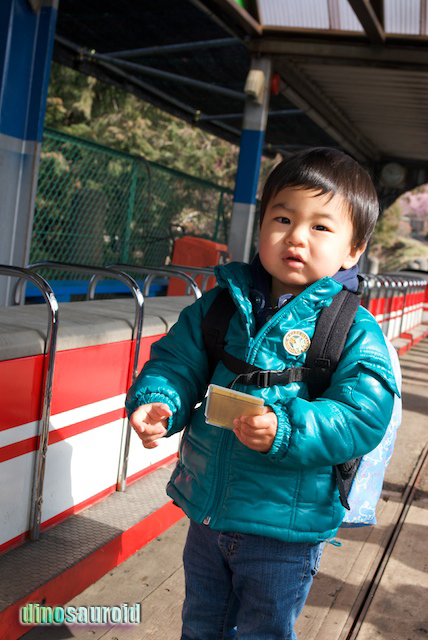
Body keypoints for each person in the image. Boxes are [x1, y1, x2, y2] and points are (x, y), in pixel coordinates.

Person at [126, 147, 399, 640]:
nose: (296, 236)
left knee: (264, 632)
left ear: (353, 250)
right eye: (283, 217)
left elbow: (362, 416)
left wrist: (286, 429)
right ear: (261, 226)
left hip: (285, 531)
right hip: (208, 514)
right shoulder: (219, 307)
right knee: (199, 625)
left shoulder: (351, 329)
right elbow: (177, 363)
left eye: (320, 226)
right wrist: (160, 402)